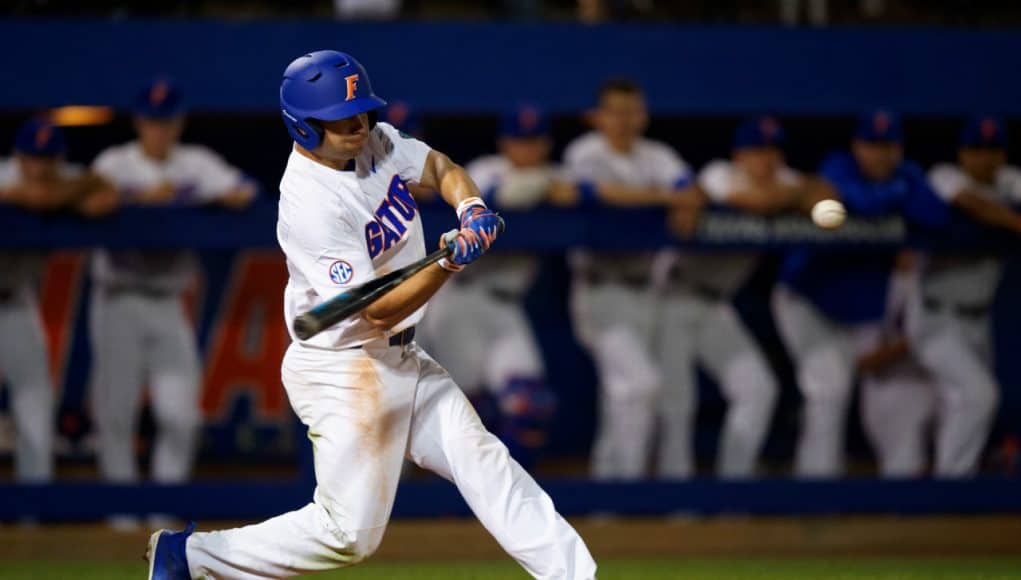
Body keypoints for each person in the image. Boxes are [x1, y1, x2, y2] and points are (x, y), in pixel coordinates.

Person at [147, 50, 596, 580]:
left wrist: (470, 208)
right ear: (305, 127)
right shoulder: (309, 203)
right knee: (349, 537)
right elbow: (378, 311)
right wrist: (450, 261)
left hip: (403, 357)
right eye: (342, 118)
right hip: (344, 369)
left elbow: (439, 166)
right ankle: (189, 558)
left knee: (485, 461)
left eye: (362, 111)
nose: (359, 125)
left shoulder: (372, 139)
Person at [89, 78, 257, 492]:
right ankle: (120, 515)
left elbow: (244, 192)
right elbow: (89, 200)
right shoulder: (115, 163)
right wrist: (143, 199)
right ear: (138, 122)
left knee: (181, 413)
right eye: (151, 121)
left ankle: (163, 510)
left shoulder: (193, 163)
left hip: (168, 299)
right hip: (118, 296)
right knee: (115, 413)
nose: (158, 130)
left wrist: (194, 196)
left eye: (166, 121)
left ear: (178, 123)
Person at [772, 109, 950, 477]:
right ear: (857, 146)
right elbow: (835, 206)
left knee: (877, 389)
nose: (879, 154)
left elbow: (937, 217)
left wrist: (890, 194)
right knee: (829, 388)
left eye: (887, 146)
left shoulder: (909, 175)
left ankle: (883, 485)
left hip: (858, 311)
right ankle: (815, 489)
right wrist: (895, 197)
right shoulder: (837, 167)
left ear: (899, 149)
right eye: (871, 145)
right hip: (808, 299)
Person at [656, 117, 812, 478]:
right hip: (673, 295)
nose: (767, 160)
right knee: (677, 404)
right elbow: (751, 201)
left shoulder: (786, 179)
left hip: (716, 304)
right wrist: (792, 198)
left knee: (758, 387)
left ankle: (733, 485)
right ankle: (674, 499)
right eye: (757, 151)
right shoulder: (720, 174)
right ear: (740, 155)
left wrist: (799, 193)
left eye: (773, 151)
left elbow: (824, 196)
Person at [562, 78, 700, 480]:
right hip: (598, 288)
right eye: (615, 112)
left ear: (644, 116)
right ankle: (629, 487)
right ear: (597, 117)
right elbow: (602, 193)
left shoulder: (656, 155)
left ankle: (608, 494)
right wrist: (668, 200)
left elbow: (690, 190)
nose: (623, 121)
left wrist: (686, 201)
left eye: (631, 111)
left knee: (621, 394)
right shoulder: (584, 151)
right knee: (640, 385)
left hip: (646, 289)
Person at [420, 105, 559, 469]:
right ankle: (455, 502)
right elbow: (502, 197)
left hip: (508, 307)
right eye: (519, 141)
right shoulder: (484, 170)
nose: (527, 149)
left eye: (534, 141)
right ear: (504, 142)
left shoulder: (556, 175)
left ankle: (508, 494)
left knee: (530, 405)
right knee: (467, 411)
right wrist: (546, 186)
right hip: (461, 301)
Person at [0, 118, 116, 482]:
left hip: (15, 300)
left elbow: (106, 193)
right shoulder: (4, 175)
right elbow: (38, 197)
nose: (40, 167)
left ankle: (35, 512)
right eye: (32, 158)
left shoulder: (65, 176)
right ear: (17, 157)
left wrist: (72, 193)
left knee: (35, 402)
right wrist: (71, 197)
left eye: (48, 159)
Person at [906, 115, 1021, 476]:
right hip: (934, 315)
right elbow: (973, 203)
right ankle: (952, 487)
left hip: (978, 320)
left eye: (992, 150)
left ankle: (951, 488)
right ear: (962, 153)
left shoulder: (1009, 180)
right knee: (979, 395)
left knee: (960, 404)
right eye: (975, 150)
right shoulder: (945, 176)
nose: (984, 159)